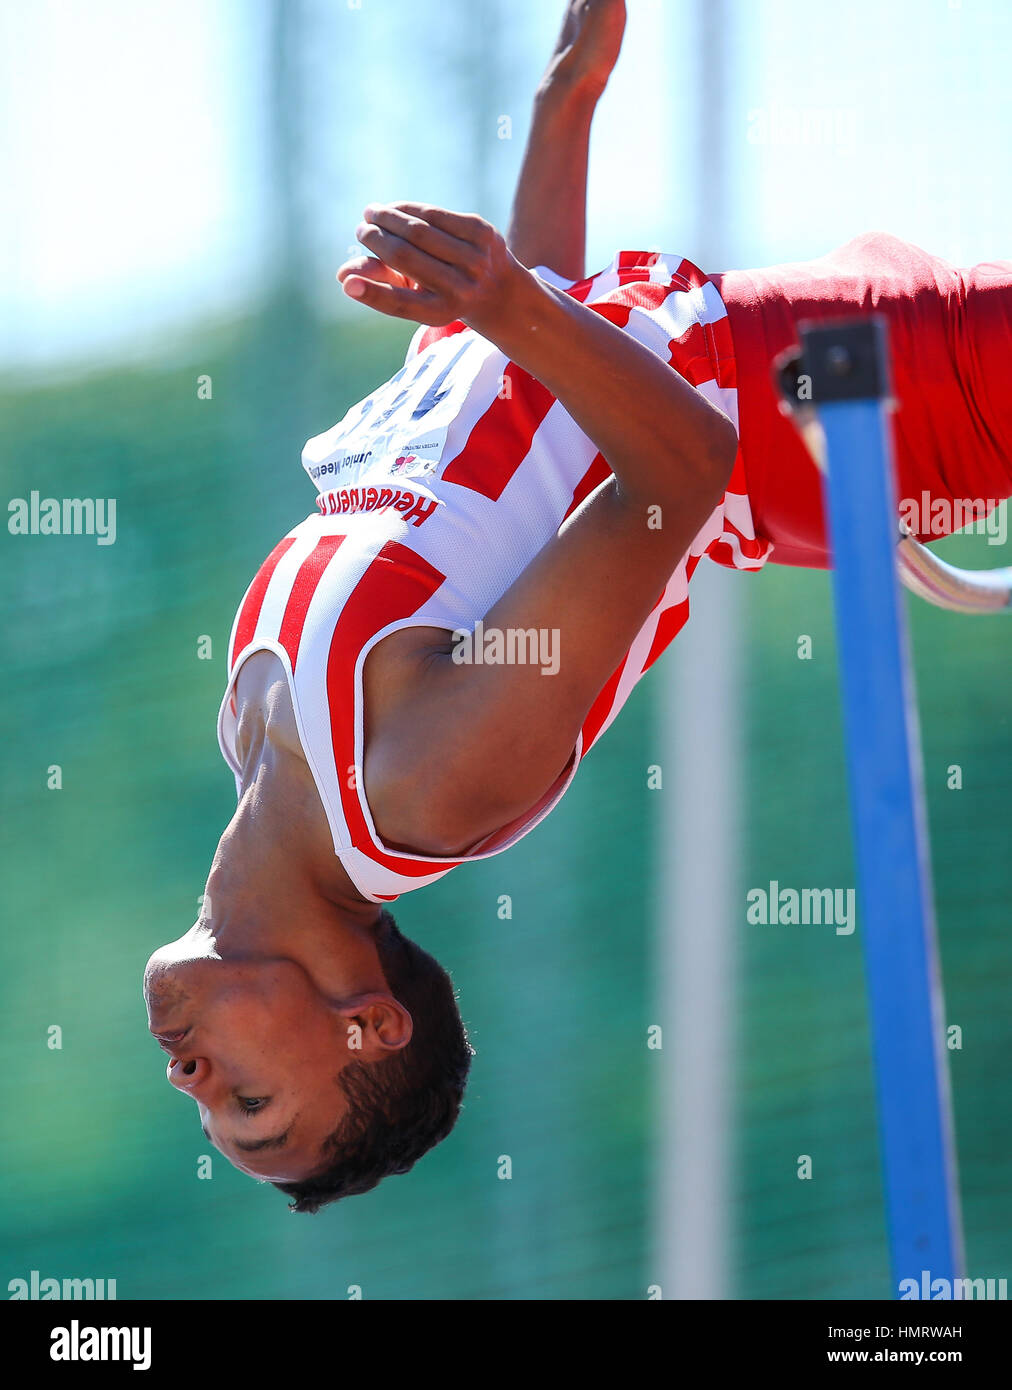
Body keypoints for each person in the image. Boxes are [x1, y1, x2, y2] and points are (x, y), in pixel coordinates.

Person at [143, 0, 1012, 1213]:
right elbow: (683, 466)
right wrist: (508, 305)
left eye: (211, 1105)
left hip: (790, 357)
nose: (190, 1077)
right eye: (249, 1103)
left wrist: (567, 93)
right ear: (372, 1024)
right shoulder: (423, 788)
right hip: (830, 401)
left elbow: (525, 399)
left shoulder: (250, 725)